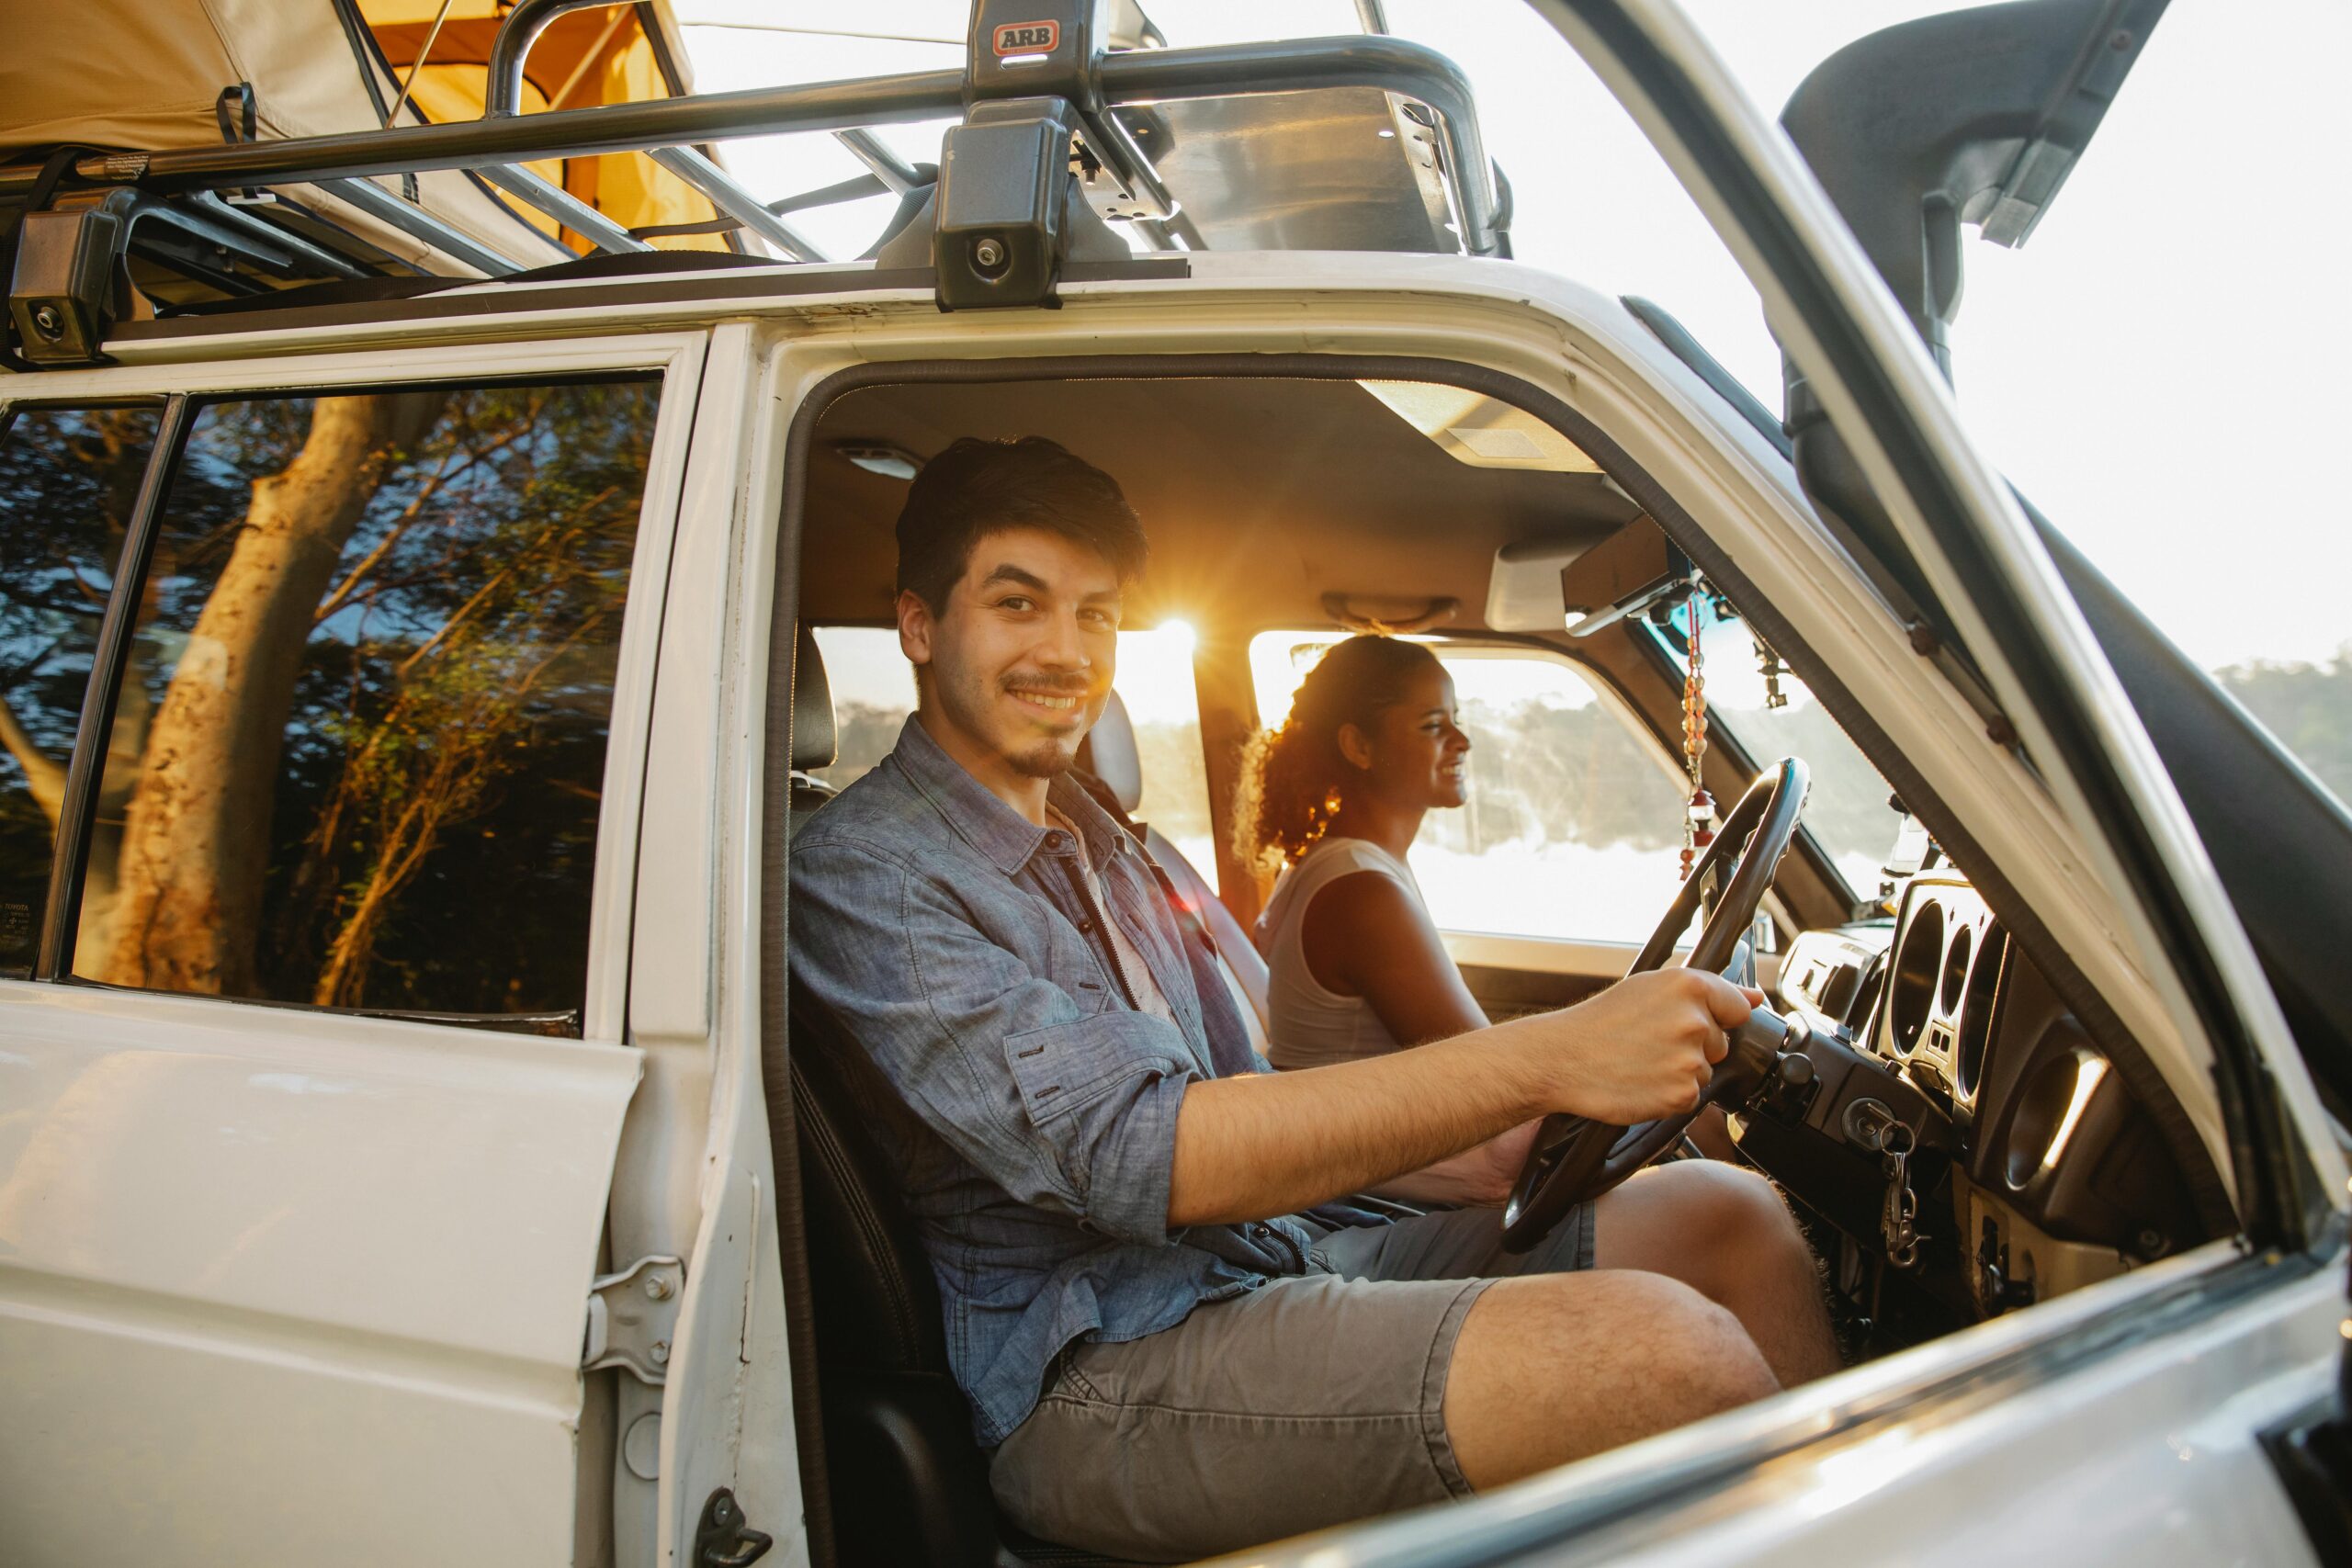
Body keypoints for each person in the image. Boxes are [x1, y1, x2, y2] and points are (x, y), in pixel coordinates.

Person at [788, 435, 1840, 1562]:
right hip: (1096, 1371)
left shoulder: (1110, 845)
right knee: (1669, 1361)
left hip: (1267, 1255)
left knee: (1726, 1218)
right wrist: (1548, 1057)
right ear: (917, 626)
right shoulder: (870, 876)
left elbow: (1244, 1093)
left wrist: (1490, 1147)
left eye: (1095, 615)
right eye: (1017, 604)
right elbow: (1146, 1149)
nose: (1065, 651)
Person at [1240, 634, 1535, 1203]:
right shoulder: (1362, 893)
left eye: (1456, 719)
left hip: (1377, 1173)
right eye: (1432, 726)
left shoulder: (1350, 865)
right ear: (1359, 746)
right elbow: (1491, 1079)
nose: (1461, 740)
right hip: (1365, 1198)